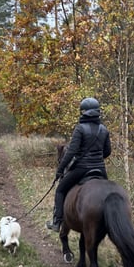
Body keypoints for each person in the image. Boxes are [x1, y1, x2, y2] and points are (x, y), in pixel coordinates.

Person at [46, 97, 111, 232]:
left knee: (60, 190)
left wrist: (60, 170)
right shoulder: (104, 129)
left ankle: (57, 222)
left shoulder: (80, 129)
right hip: (100, 169)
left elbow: (71, 152)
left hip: (81, 169)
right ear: (98, 111)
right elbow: (107, 152)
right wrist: (97, 159)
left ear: (83, 112)